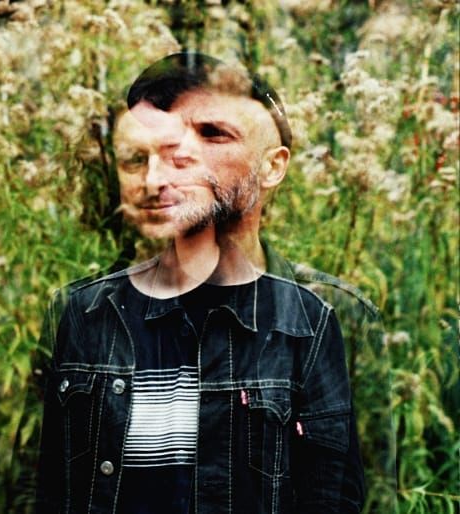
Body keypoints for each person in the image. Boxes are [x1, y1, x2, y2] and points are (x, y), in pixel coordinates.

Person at [35, 52, 365, 513]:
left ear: (273, 166)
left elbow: (338, 497)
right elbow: (47, 488)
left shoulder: (321, 320)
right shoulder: (85, 313)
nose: (176, 161)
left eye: (212, 134)